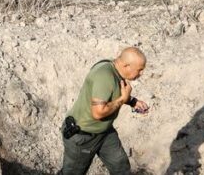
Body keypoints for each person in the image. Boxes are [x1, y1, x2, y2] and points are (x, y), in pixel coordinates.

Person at [60, 47, 149, 175]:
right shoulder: (104, 76)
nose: (141, 74)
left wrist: (132, 101)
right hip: (83, 136)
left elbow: (111, 93)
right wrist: (123, 99)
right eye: (139, 70)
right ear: (127, 66)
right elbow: (98, 112)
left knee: (121, 167)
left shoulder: (116, 70)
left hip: (105, 132)